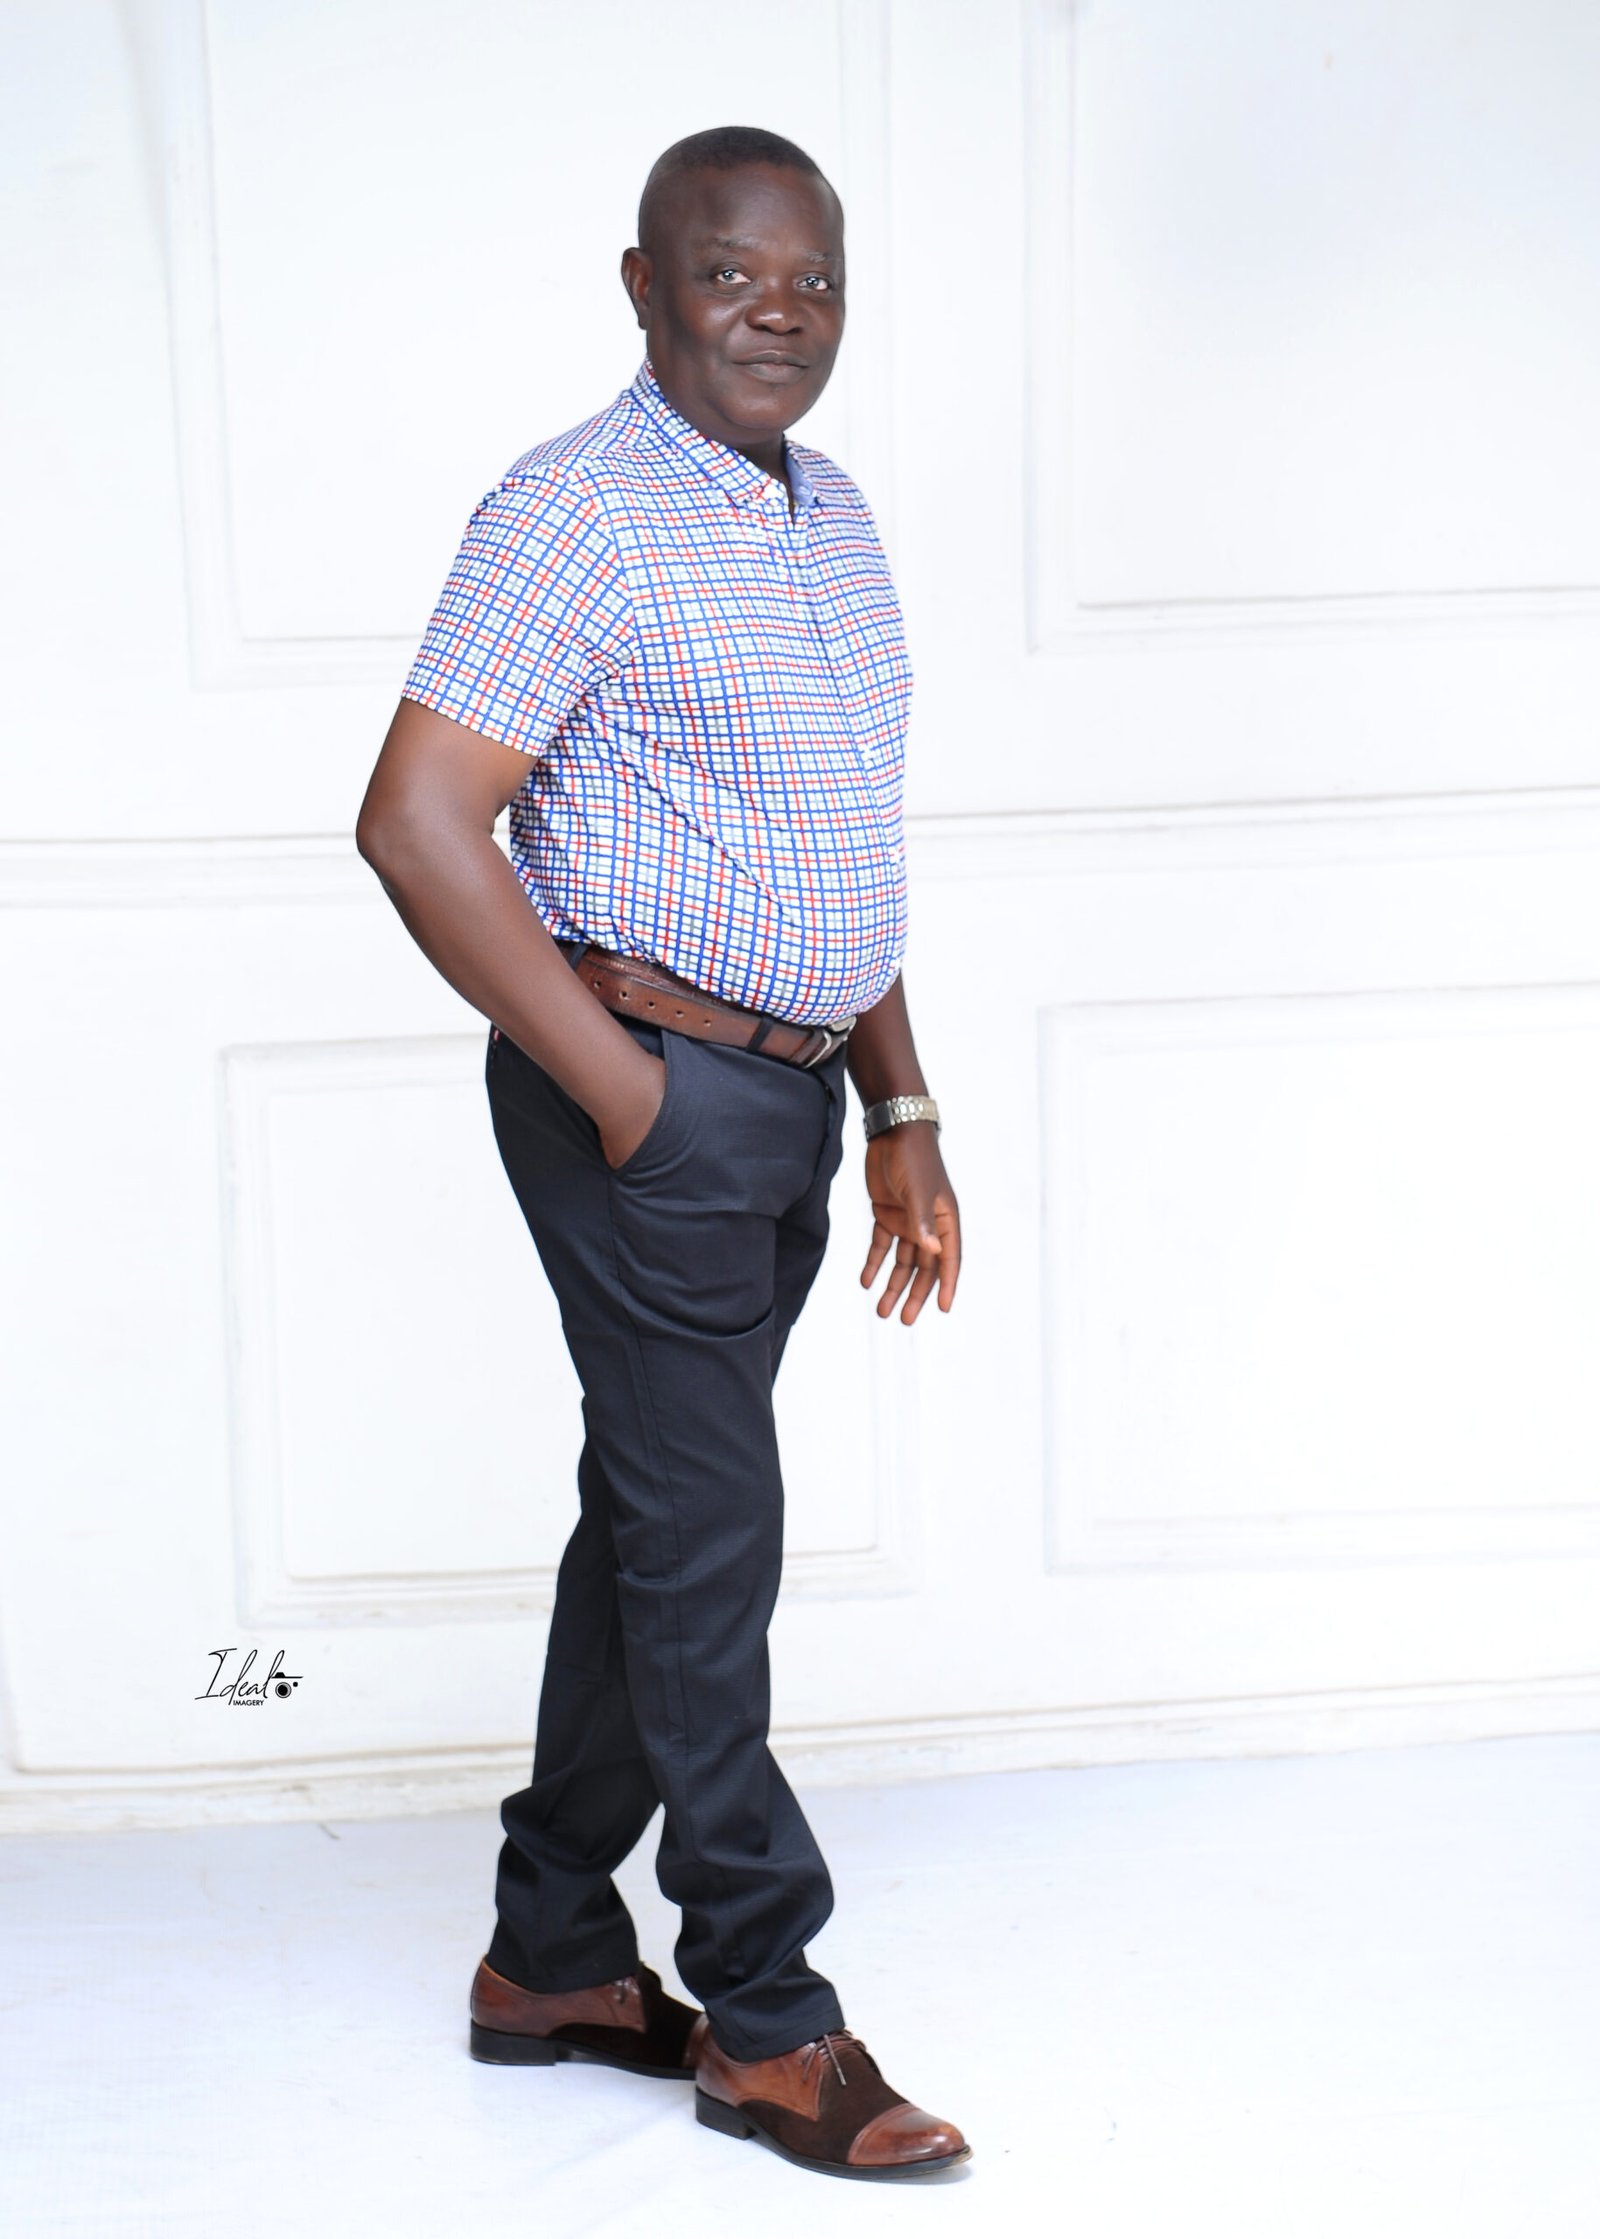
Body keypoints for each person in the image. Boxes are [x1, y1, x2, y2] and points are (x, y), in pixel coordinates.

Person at [355, 124, 968, 2182]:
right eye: (729, 273)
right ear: (644, 286)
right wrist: (628, 1098)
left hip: (792, 1096)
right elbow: (416, 820)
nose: (778, 311)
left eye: (813, 278)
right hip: (651, 1093)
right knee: (709, 1539)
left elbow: (840, 846)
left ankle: (548, 1956)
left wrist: (896, 1105)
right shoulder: (574, 514)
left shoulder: (833, 513)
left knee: (657, 1512)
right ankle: (770, 2021)